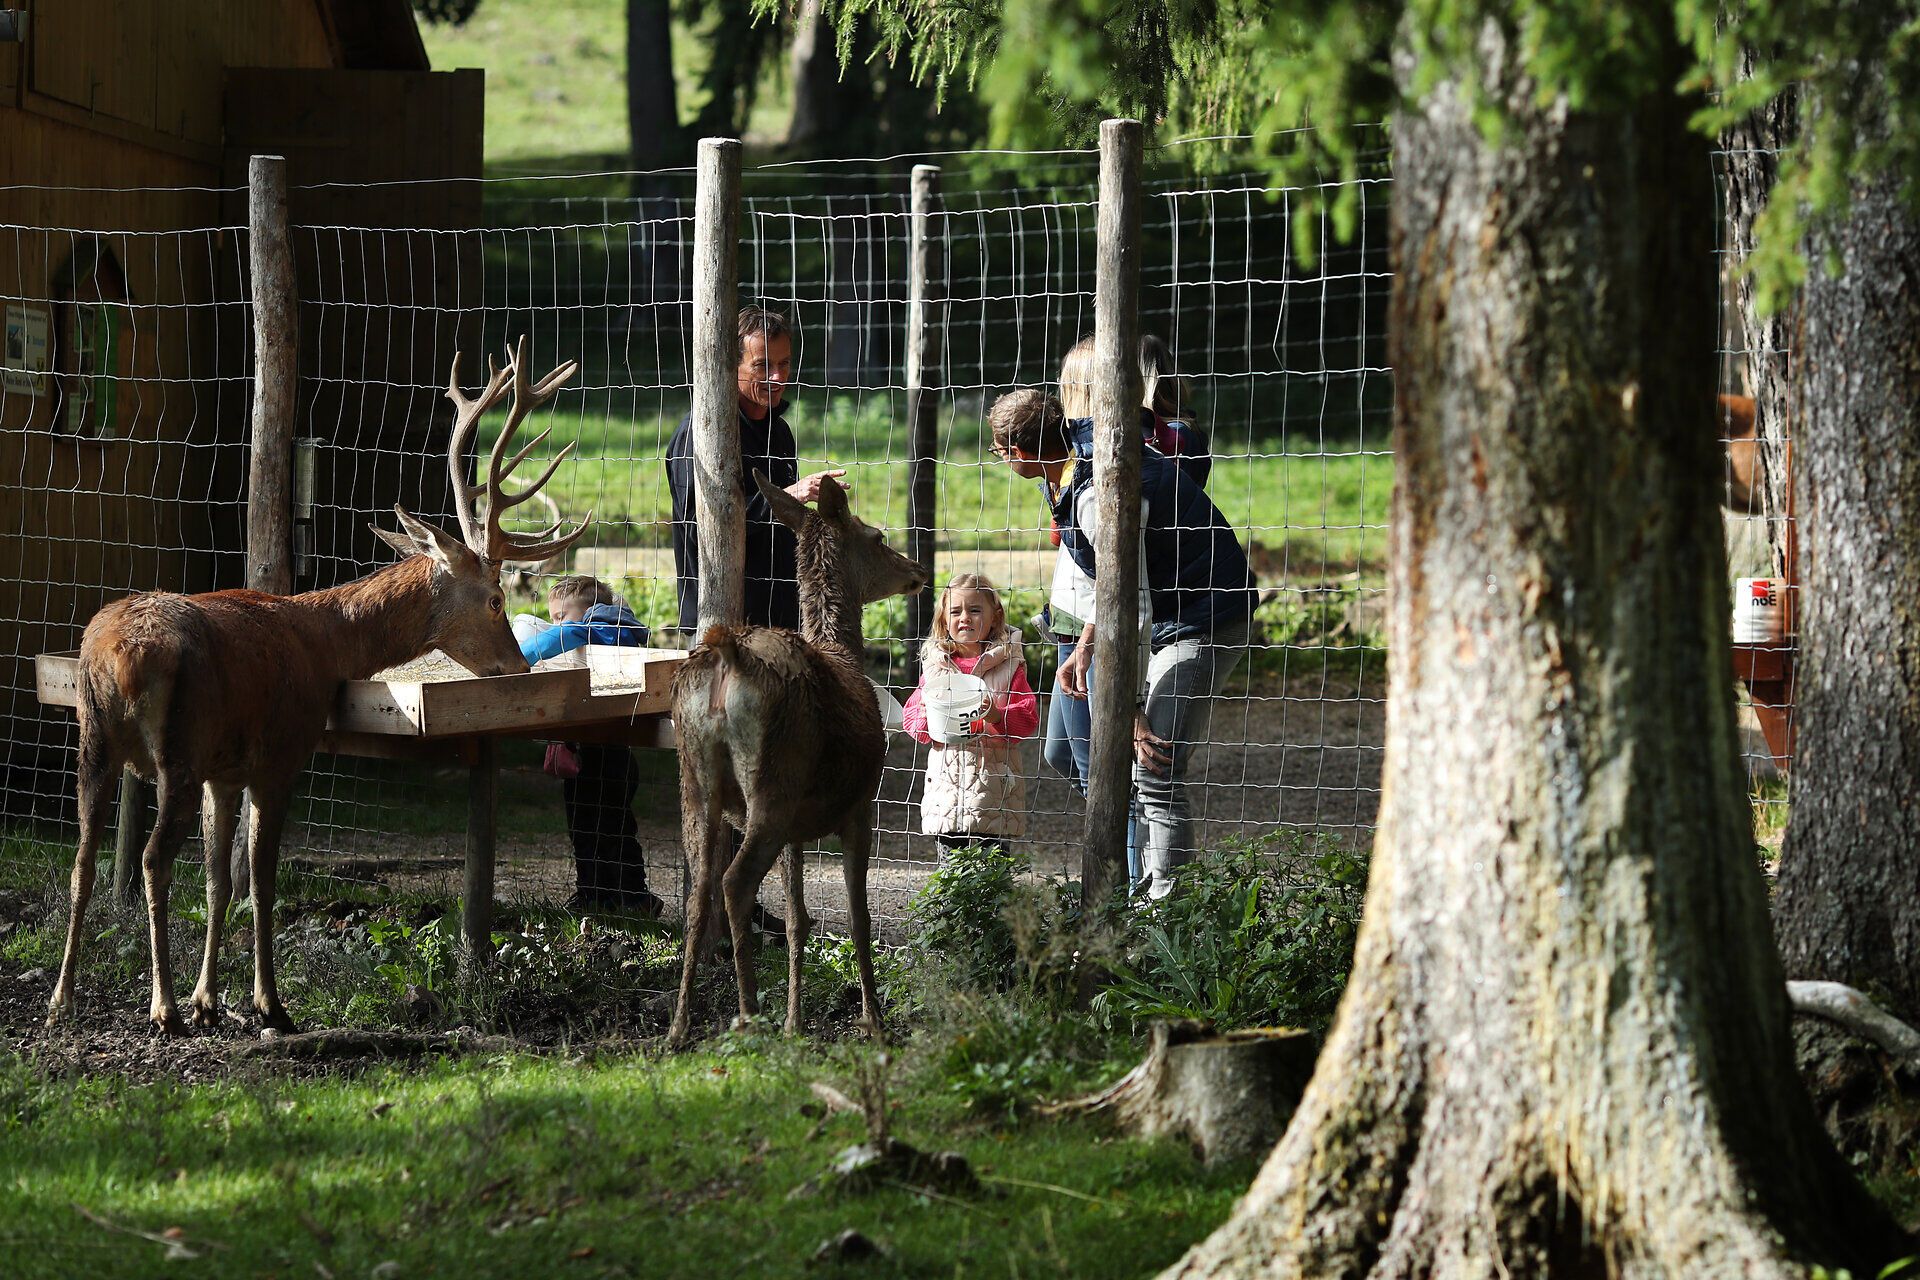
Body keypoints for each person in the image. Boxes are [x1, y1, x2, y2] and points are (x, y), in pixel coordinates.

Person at [989, 387, 1257, 899]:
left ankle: (1166, 924)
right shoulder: (1072, 464)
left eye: (999, 451)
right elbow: (1110, 580)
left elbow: (1131, 606)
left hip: (1204, 616)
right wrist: (1087, 643)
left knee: (1156, 766)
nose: (1000, 460)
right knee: (1078, 755)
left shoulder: (1097, 494)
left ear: (1019, 453)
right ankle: (1135, 897)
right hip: (1162, 610)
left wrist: (1131, 708)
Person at [1038, 336, 1211, 882]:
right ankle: (1121, 887)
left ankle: (1121, 903)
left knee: (1111, 775)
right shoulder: (1076, 453)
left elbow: (1124, 575)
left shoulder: (1146, 449)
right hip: (1072, 609)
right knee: (1063, 755)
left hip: (1106, 617)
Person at [664, 305, 848, 634]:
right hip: (722, 627)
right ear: (731, 366)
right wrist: (787, 497)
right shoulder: (701, 434)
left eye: (784, 364)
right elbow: (700, 529)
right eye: (762, 366)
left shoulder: (779, 433)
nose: (777, 378)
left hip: (783, 623)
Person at [520, 576, 664, 917]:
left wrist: (519, 655)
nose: (556, 623)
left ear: (589, 611)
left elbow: (568, 634)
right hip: (584, 749)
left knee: (613, 829)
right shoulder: (585, 637)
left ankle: (634, 897)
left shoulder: (606, 628)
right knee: (582, 825)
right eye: (551, 616)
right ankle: (592, 894)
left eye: (560, 615)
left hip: (610, 754)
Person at [901, 574, 1040, 855]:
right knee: (951, 869)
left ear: (995, 617)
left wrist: (996, 715)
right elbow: (911, 715)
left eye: (975, 610)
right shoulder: (936, 666)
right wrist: (930, 719)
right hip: (947, 792)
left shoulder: (1010, 664)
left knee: (995, 871)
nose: (964, 617)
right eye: (955, 611)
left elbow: (1028, 716)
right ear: (943, 620)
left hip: (996, 790)